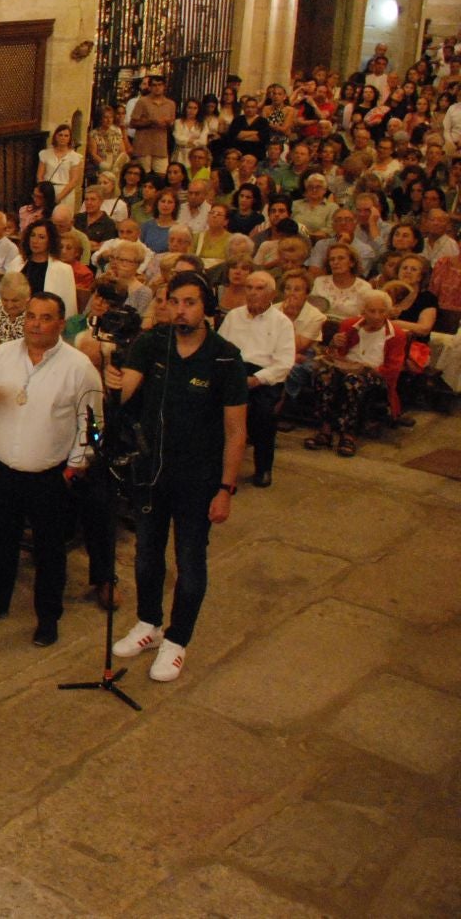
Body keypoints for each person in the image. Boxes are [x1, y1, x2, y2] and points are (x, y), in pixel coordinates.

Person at [104, 272, 247, 682]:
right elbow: (127, 391)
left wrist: (225, 488)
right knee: (147, 554)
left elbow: (236, 430)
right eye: (174, 301)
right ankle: (148, 622)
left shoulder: (224, 357)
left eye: (190, 302)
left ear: (206, 307)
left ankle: (177, 640)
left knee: (189, 561)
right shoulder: (152, 344)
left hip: (198, 479)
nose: (181, 309)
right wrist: (113, 381)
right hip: (151, 471)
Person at [0, 293, 100, 646]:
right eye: (31, 317)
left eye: (45, 317)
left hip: (50, 475)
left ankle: (48, 617)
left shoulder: (78, 367)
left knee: (50, 550)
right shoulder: (2, 355)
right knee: (1, 540)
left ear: (61, 323)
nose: (36, 324)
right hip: (3, 467)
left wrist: (76, 466)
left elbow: (93, 425)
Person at [303, 291, 409, 458]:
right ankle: (325, 429)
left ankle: (348, 434)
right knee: (324, 376)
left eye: (381, 311)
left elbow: (393, 369)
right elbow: (332, 353)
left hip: (375, 375)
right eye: (372, 311)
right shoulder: (350, 325)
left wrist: (364, 368)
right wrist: (334, 344)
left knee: (353, 381)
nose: (376, 316)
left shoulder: (396, 334)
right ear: (363, 311)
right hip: (346, 368)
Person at [217, 271, 295, 488]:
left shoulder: (282, 323)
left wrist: (255, 380)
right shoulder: (233, 316)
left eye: (259, 288)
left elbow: (284, 364)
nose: (252, 293)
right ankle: (217, 466)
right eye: (249, 288)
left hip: (263, 377)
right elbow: (219, 349)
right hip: (234, 371)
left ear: (271, 293)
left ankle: (263, 468)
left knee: (263, 415)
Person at [8, 219, 78, 317]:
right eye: (32, 235)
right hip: (15, 316)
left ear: (50, 241)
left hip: (45, 319)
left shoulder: (63, 270)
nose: (35, 241)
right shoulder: (17, 262)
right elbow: (4, 294)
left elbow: (69, 308)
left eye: (41, 237)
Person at [128, 74, 175, 172]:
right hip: (143, 147)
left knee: (162, 174)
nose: (157, 88)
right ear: (150, 87)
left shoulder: (170, 104)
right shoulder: (142, 102)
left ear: (164, 86)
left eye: (159, 85)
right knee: (143, 175)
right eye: (154, 85)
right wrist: (150, 122)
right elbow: (132, 123)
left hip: (161, 147)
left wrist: (167, 123)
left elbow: (171, 123)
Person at [39, 125, 86, 211]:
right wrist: (44, 191)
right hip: (48, 190)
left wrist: (59, 197)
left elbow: (74, 180)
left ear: (70, 138)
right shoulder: (45, 154)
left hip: (66, 192)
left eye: (66, 135)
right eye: (60, 135)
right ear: (55, 136)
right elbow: (40, 175)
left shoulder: (74, 157)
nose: (63, 138)